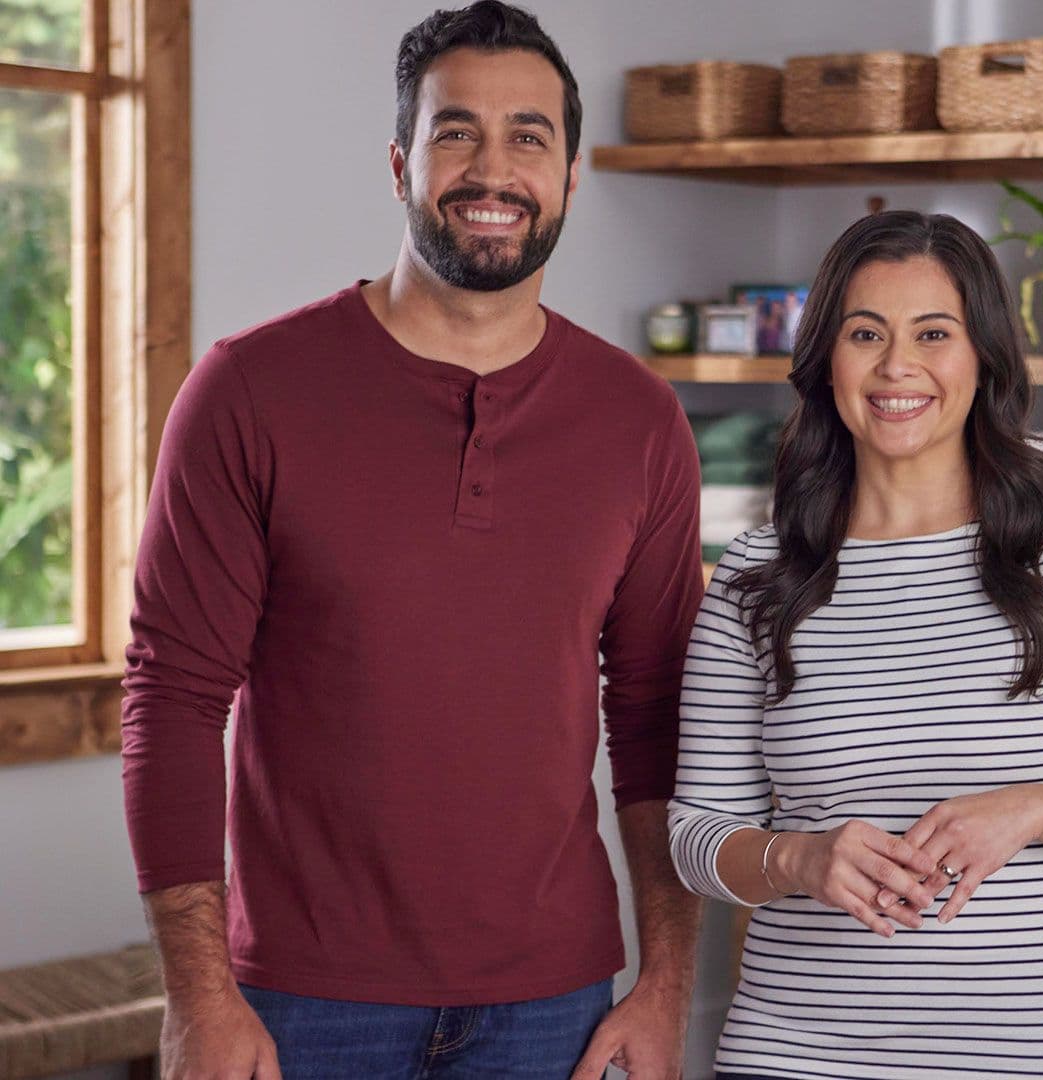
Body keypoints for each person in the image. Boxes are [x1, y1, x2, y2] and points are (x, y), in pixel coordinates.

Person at [119, 4, 702, 1076]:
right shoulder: (249, 391)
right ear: (400, 163)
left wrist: (667, 982)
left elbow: (657, 711)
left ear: (571, 176)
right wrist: (197, 996)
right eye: (455, 132)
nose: (494, 170)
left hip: (554, 1003)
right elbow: (172, 696)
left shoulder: (640, 419)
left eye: (529, 136)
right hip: (302, 1001)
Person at [667, 211, 1043, 1080]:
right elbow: (699, 835)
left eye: (933, 333)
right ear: (827, 360)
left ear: (983, 356)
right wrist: (800, 857)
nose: (896, 366)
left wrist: (1036, 808)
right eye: (865, 334)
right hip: (799, 1051)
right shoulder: (757, 574)